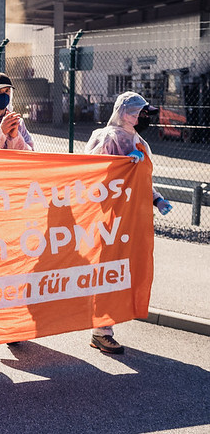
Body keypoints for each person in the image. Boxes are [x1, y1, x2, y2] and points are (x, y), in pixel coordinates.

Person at [83, 91, 172, 354]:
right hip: (110, 218)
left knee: (124, 272)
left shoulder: (140, 141)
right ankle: (101, 331)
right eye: (140, 113)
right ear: (124, 112)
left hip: (134, 220)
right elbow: (92, 174)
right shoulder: (105, 137)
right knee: (108, 272)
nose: (145, 118)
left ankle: (107, 325)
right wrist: (120, 163)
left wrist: (157, 199)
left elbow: (143, 180)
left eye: (146, 113)